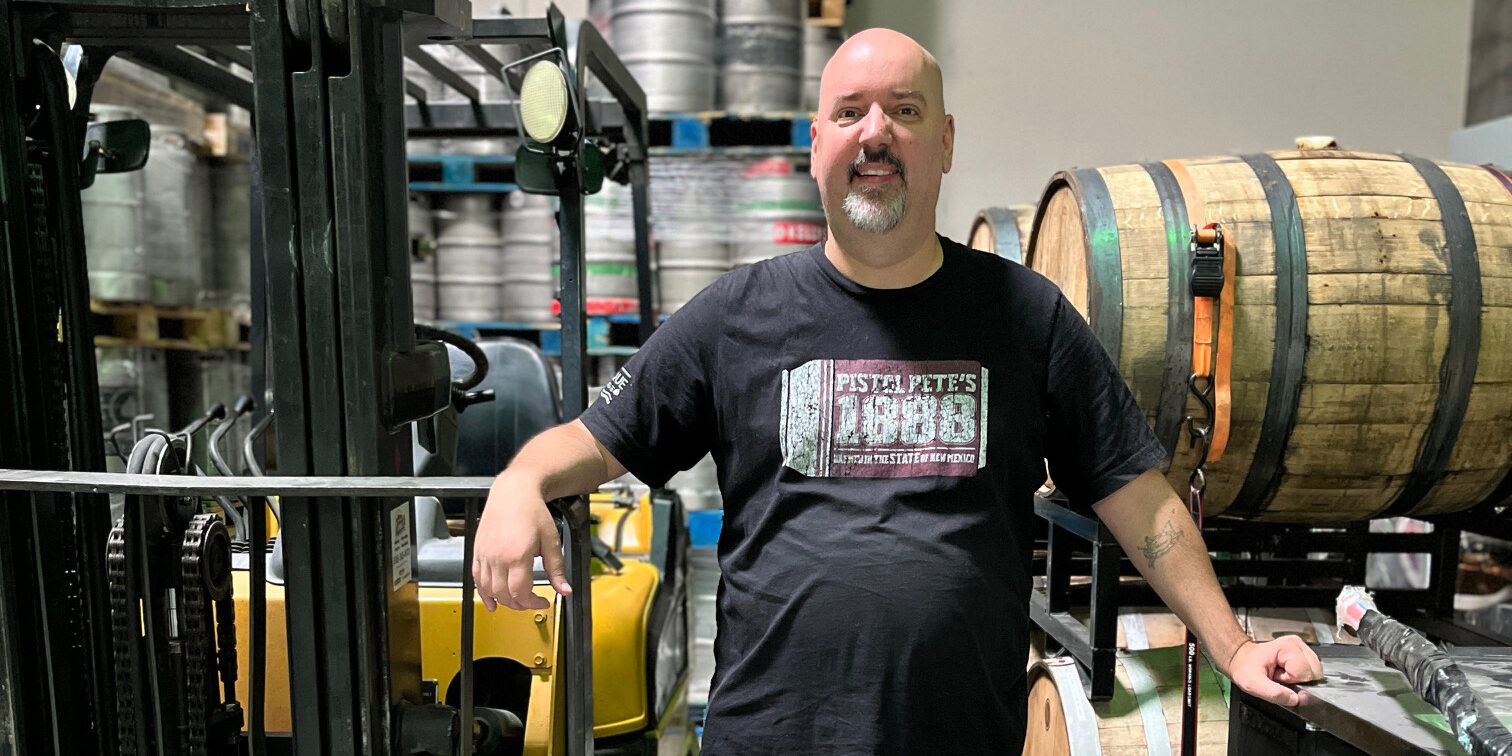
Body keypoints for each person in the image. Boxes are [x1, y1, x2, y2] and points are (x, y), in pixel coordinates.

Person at [473, 27, 1324, 754]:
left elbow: (1145, 505)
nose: (875, 133)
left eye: (904, 112)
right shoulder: (737, 313)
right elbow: (595, 435)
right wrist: (520, 484)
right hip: (768, 738)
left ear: (946, 142)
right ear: (816, 145)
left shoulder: (1026, 317)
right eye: (850, 113)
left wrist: (1232, 646)